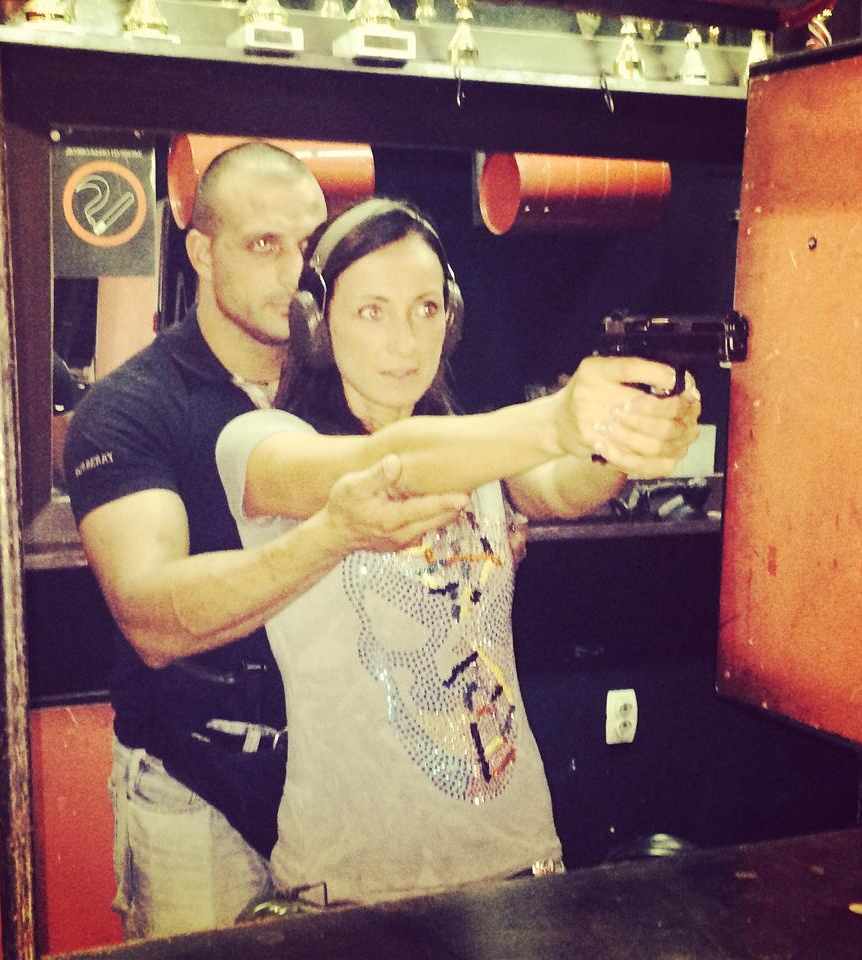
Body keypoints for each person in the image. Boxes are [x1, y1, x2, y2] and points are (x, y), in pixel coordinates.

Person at [215, 198, 702, 906]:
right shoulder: (260, 445)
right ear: (316, 325)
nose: (405, 341)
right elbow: (391, 461)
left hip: (516, 856)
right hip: (351, 882)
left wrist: (627, 433)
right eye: (371, 311)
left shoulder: (473, 448)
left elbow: (563, 489)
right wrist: (558, 418)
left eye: (425, 309)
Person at [63, 148, 466, 938]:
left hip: (340, 774)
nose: (292, 272)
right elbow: (150, 619)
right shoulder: (132, 407)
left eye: (307, 245)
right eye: (262, 244)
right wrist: (334, 534)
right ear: (202, 251)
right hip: (197, 787)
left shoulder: (356, 386)